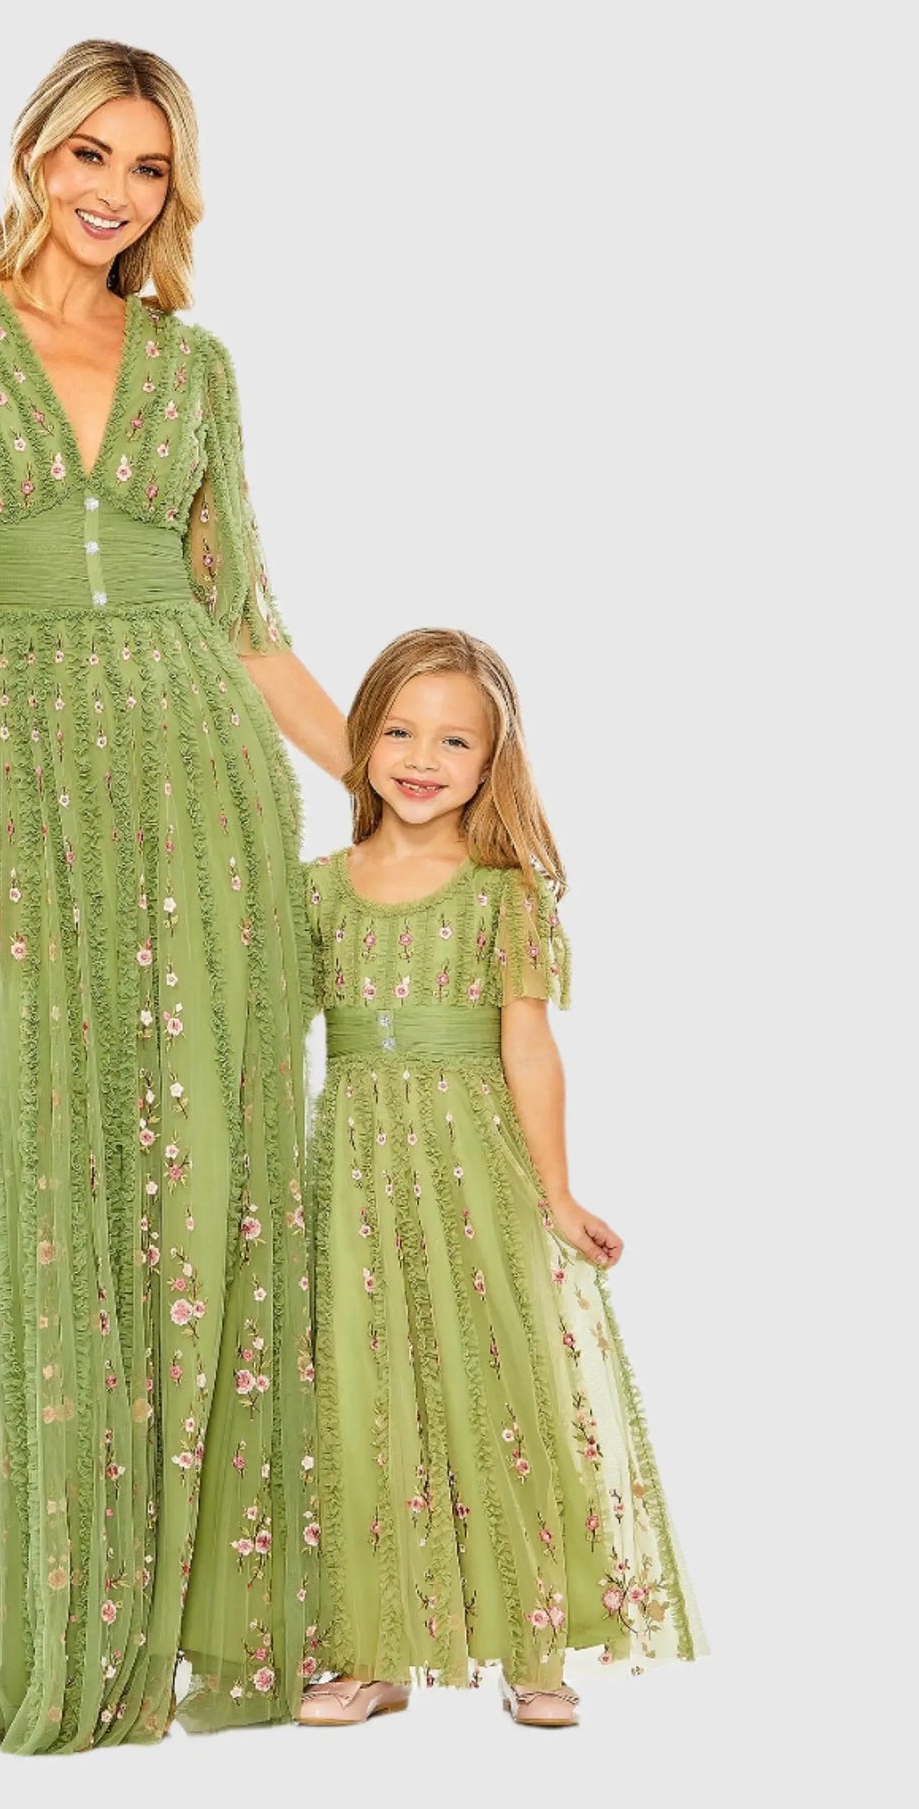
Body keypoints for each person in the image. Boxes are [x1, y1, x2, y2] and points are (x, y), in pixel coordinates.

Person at [0, 38, 348, 1754]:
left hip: (204, 787)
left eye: (148, 169)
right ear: (34, 152)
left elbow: (249, 626)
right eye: (91, 155)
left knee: (214, 1180)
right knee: (50, 1166)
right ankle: (66, 1612)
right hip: (26, 787)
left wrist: (392, 784)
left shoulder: (192, 364)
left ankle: (231, 1616)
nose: (115, 194)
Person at [297, 629, 705, 1729]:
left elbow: (528, 1046)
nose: (420, 758)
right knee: (361, 1392)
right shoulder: (315, 891)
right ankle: (369, 1649)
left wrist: (556, 1194)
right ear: (360, 739)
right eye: (398, 731)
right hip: (354, 1170)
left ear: (490, 763)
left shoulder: (501, 894)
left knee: (500, 1387)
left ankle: (533, 1647)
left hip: (473, 1164)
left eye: (453, 741)